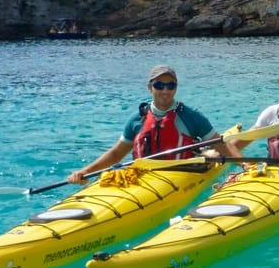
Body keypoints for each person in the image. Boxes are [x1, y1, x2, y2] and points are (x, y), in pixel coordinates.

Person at [66, 64, 238, 184]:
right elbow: (116, 154)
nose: (165, 90)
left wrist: (247, 166)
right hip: (142, 177)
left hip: (182, 175)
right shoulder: (137, 118)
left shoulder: (191, 116)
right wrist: (85, 172)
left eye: (170, 85)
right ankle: (206, 153)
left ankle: (208, 156)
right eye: (159, 85)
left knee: (215, 151)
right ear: (150, 87)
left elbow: (221, 144)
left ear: (175, 88)